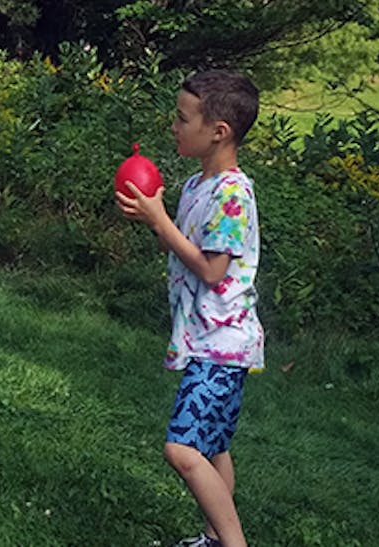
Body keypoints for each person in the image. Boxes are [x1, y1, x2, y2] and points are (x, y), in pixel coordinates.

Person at [116, 70, 263, 547]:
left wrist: (161, 220)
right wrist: (155, 220)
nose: (174, 127)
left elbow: (212, 270)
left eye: (182, 119)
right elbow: (181, 249)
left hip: (222, 345)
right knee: (213, 446)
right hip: (203, 339)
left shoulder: (232, 195)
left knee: (181, 450)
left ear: (218, 131)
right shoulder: (197, 185)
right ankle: (214, 539)